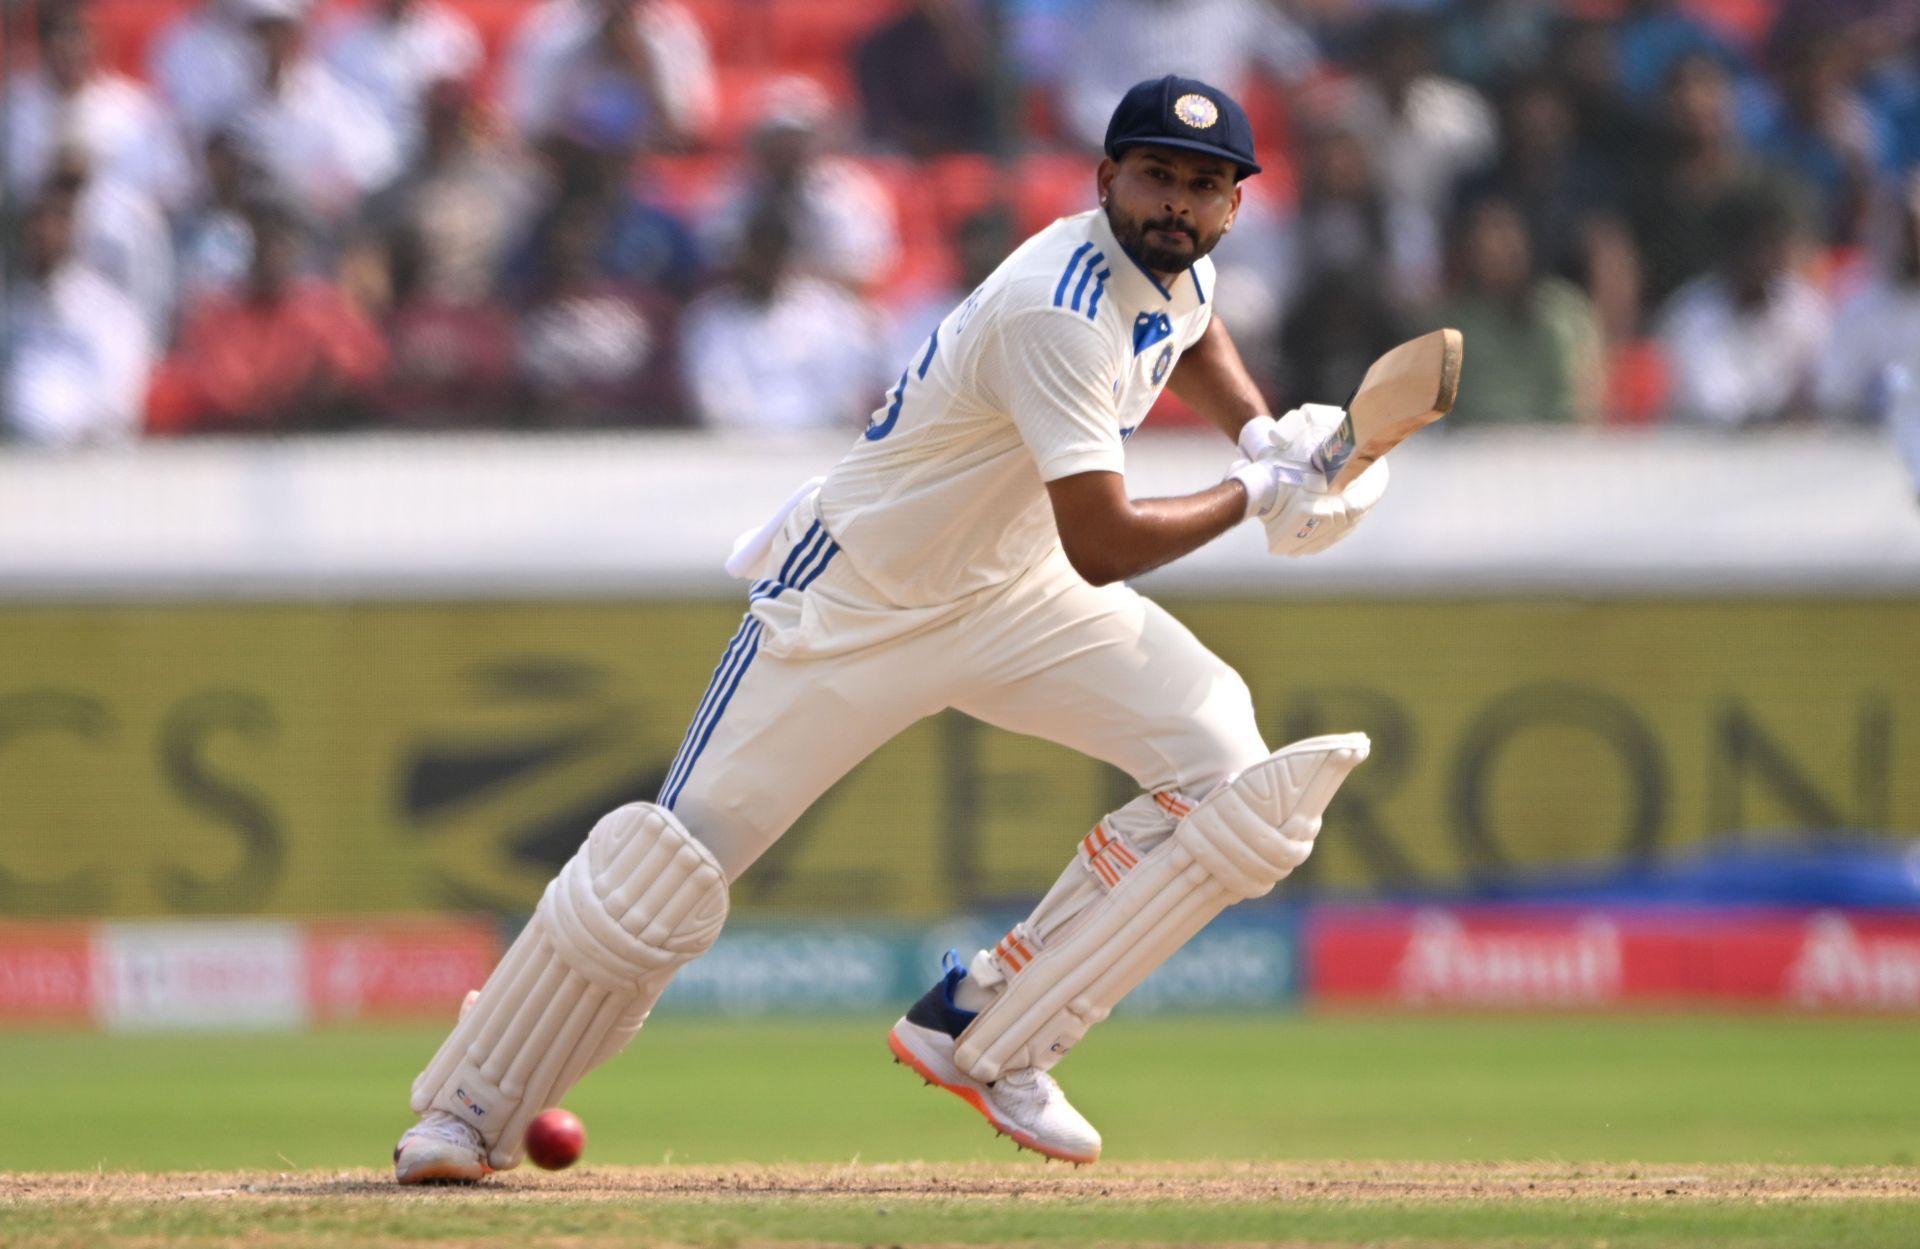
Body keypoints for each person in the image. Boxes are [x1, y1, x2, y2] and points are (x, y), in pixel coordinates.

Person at [391, 75, 1384, 1183]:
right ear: (1107, 178)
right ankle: (467, 1110)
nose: (1179, 203)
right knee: (658, 878)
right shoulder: (1057, 308)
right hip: (853, 604)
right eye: (1157, 176)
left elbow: (1191, 334)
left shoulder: (1176, 268)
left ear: (1234, 206)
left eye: (1205, 186)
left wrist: (1257, 434)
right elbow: (1104, 540)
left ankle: (983, 1021)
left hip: (1014, 593)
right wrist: (1259, 495)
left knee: (1231, 774)